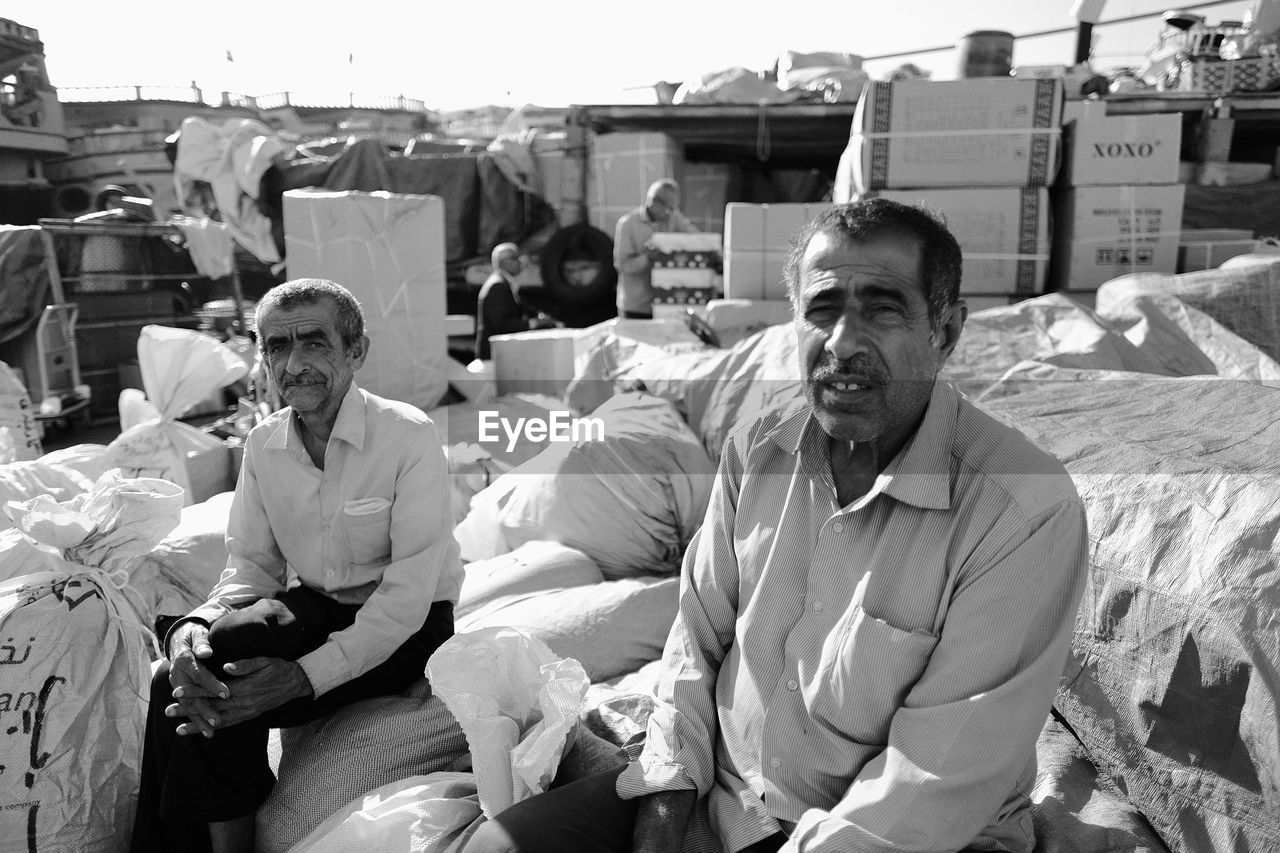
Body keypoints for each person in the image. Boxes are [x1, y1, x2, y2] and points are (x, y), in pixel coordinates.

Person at [464, 199, 1089, 853]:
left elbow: (931, 787)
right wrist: (665, 804)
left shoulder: (1022, 511)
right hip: (732, 801)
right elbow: (696, 642)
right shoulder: (760, 444)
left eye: (882, 307)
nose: (843, 342)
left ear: (946, 331)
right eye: (823, 310)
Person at [131, 278, 463, 853]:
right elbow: (251, 570)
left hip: (411, 626)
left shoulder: (408, 436)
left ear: (355, 351)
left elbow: (406, 599)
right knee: (186, 669)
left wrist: (304, 677)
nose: (294, 363)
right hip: (318, 606)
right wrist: (192, 627)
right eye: (276, 347)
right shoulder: (263, 445)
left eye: (314, 342)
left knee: (214, 684)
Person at [613, 178, 698, 319]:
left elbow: (696, 237)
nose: (670, 213)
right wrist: (646, 257)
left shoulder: (673, 219)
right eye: (669, 208)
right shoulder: (627, 224)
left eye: (673, 209)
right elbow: (623, 266)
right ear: (654, 202)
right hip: (636, 307)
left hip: (664, 304)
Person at [475, 242, 557, 360]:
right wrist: (534, 323)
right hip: (493, 358)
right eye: (515, 258)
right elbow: (501, 323)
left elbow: (521, 307)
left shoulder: (504, 283)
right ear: (502, 262)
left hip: (499, 355)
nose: (520, 262)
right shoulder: (497, 286)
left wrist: (539, 316)